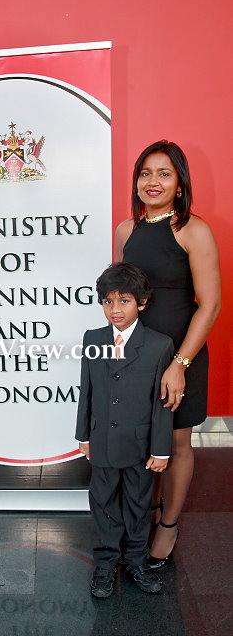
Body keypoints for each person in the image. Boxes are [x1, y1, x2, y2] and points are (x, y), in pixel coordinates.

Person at [115, 141, 221, 568]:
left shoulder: (194, 231)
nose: (153, 182)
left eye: (164, 173)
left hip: (182, 354)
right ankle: (148, 512)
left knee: (176, 440)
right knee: (144, 439)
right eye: (145, 173)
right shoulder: (127, 231)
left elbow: (210, 305)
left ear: (180, 184)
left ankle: (169, 525)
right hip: (137, 356)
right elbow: (120, 297)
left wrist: (180, 364)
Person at [76, 262, 174, 597]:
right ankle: (105, 564)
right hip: (101, 439)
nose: (115, 309)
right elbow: (86, 390)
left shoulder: (159, 345)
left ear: (141, 303)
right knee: (103, 501)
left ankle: (135, 560)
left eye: (124, 301)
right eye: (108, 301)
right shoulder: (92, 339)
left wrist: (160, 449)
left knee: (138, 503)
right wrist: (83, 435)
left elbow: (161, 403)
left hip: (140, 444)